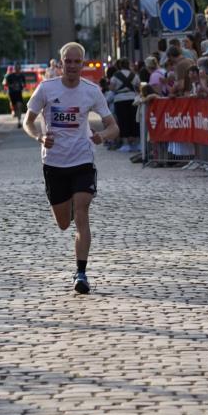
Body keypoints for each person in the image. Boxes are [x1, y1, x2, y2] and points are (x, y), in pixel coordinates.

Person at [22, 41, 119, 295]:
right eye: (69, 61)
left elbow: (113, 126)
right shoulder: (46, 88)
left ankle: (81, 273)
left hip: (82, 160)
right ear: (61, 63)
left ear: (83, 64)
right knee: (64, 223)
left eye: (78, 62)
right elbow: (28, 121)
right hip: (54, 163)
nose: (73, 66)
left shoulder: (91, 91)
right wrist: (39, 137)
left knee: (83, 213)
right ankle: (72, 206)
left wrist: (103, 136)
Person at [108, 57, 139, 151]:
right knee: (134, 120)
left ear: (120, 65)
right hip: (133, 99)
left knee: (123, 121)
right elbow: (138, 86)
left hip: (120, 100)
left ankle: (125, 144)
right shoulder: (134, 75)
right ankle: (136, 143)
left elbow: (112, 88)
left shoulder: (116, 75)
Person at [3, 61, 27, 128]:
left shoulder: (22, 76)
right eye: (16, 67)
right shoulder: (10, 75)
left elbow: (24, 84)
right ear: (14, 68)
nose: (17, 69)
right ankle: (13, 111)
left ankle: (19, 122)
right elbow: (5, 83)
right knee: (15, 107)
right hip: (11, 93)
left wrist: (22, 86)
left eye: (18, 68)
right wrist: (12, 85)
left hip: (19, 93)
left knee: (19, 106)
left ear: (20, 68)